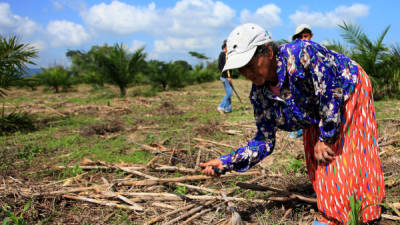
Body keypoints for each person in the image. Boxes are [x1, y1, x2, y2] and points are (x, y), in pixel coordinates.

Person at [200, 23, 385, 225]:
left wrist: (326, 137)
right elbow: (264, 141)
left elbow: (331, 94)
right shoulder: (260, 95)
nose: (247, 73)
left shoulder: (302, 54)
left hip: (348, 89)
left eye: (250, 64)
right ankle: (334, 211)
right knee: (319, 161)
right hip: (314, 109)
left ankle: (360, 213)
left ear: (269, 52)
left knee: (345, 153)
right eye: (241, 69)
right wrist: (227, 162)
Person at [288, 24, 314, 139]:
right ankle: (296, 132)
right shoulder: (293, 51)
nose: (304, 39)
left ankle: (303, 133)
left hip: (310, 86)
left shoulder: (314, 50)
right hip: (297, 84)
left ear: (311, 36)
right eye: (301, 37)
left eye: (306, 36)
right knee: (297, 107)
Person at [217, 40, 233, 114]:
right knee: (229, 92)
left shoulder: (223, 54)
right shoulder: (224, 55)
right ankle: (221, 107)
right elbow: (225, 67)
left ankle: (228, 109)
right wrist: (228, 76)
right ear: (225, 47)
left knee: (228, 92)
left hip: (224, 76)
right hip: (225, 76)